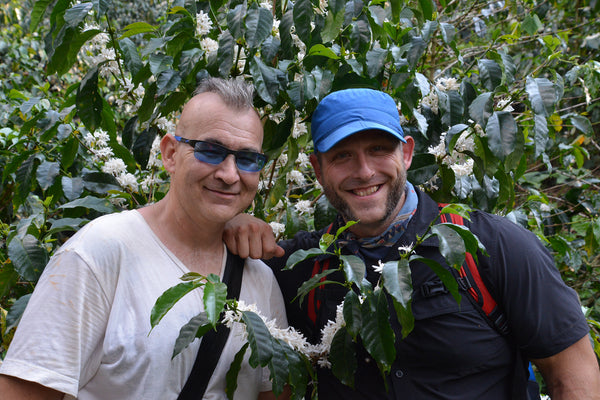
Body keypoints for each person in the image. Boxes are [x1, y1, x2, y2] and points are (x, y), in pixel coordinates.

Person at [223, 88, 600, 399]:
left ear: (405, 153)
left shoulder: (491, 245)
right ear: (318, 169)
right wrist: (230, 220)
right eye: (342, 156)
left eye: (378, 150)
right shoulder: (302, 265)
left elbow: (572, 371)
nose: (365, 171)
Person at [0, 78, 289, 400]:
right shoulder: (99, 251)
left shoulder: (260, 278)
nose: (229, 174)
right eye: (210, 151)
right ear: (170, 154)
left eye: (247, 159)